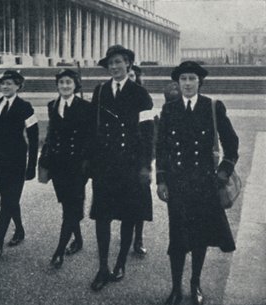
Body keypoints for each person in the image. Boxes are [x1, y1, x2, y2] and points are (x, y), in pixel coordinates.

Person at [156, 61, 238, 305]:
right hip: (178, 184)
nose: (188, 83)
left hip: (204, 184)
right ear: (178, 83)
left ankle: (195, 283)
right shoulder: (169, 109)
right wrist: (161, 180)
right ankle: (175, 288)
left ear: (199, 82)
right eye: (183, 79)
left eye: (192, 78)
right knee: (178, 239)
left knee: (200, 237)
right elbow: (160, 148)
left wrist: (222, 174)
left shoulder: (212, 107)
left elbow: (232, 145)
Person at [89, 45, 153, 291]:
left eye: (118, 62)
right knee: (102, 217)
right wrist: (90, 161)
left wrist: (146, 166)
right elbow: (92, 129)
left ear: (128, 63)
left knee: (128, 215)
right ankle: (103, 266)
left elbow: (148, 134)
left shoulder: (140, 94)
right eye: (110, 64)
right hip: (105, 165)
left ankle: (120, 263)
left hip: (131, 164)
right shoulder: (100, 91)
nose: (114, 67)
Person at [39, 69, 94, 269]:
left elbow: (90, 137)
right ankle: (78, 240)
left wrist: (87, 162)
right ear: (57, 85)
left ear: (75, 85)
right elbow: (52, 133)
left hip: (77, 166)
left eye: (68, 82)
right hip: (57, 165)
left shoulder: (85, 107)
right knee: (68, 205)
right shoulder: (52, 105)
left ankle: (59, 251)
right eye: (61, 82)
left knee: (71, 208)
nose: (64, 86)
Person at [0, 70, 39, 260]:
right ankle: (19, 229)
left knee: (7, 202)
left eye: (9, 83)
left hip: (17, 162)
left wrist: (32, 165)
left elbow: (34, 139)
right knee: (10, 200)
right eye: (3, 83)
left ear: (18, 85)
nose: (5, 87)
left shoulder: (25, 107)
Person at [127, 65, 154, 256]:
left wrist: (146, 164)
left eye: (131, 75)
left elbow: (149, 134)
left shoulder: (143, 97)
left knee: (139, 199)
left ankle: (138, 238)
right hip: (120, 157)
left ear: (136, 77)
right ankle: (127, 235)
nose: (128, 78)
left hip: (137, 156)